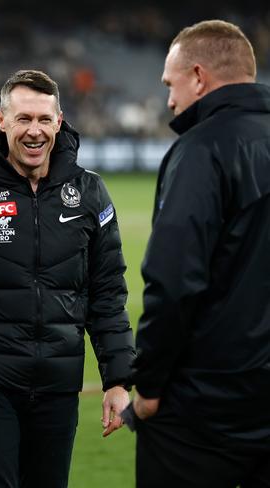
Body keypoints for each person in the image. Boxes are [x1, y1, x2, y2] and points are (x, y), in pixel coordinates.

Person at [0, 69, 135, 488]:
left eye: (43, 119)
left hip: (57, 384)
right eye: (23, 119)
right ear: (1, 120)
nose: (34, 131)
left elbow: (108, 293)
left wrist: (118, 379)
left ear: (59, 121)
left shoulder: (90, 193)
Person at [127, 19, 270, 488]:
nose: (169, 99)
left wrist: (148, 385)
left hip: (206, 404)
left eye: (171, 84)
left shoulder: (202, 149)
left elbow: (173, 281)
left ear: (199, 77)